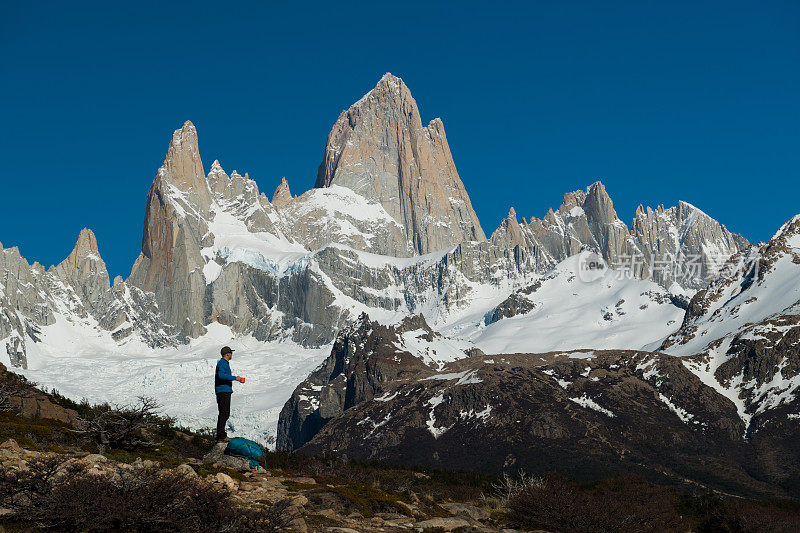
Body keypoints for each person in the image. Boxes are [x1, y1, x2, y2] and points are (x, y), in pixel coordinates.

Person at [215, 346, 245, 441]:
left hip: (224, 390)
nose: (232, 355)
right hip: (223, 391)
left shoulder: (224, 363)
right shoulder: (222, 363)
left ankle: (221, 435)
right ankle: (221, 436)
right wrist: (235, 378)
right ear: (227, 354)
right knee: (224, 413)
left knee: (224, 413)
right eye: (231, 353)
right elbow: (221, 375)